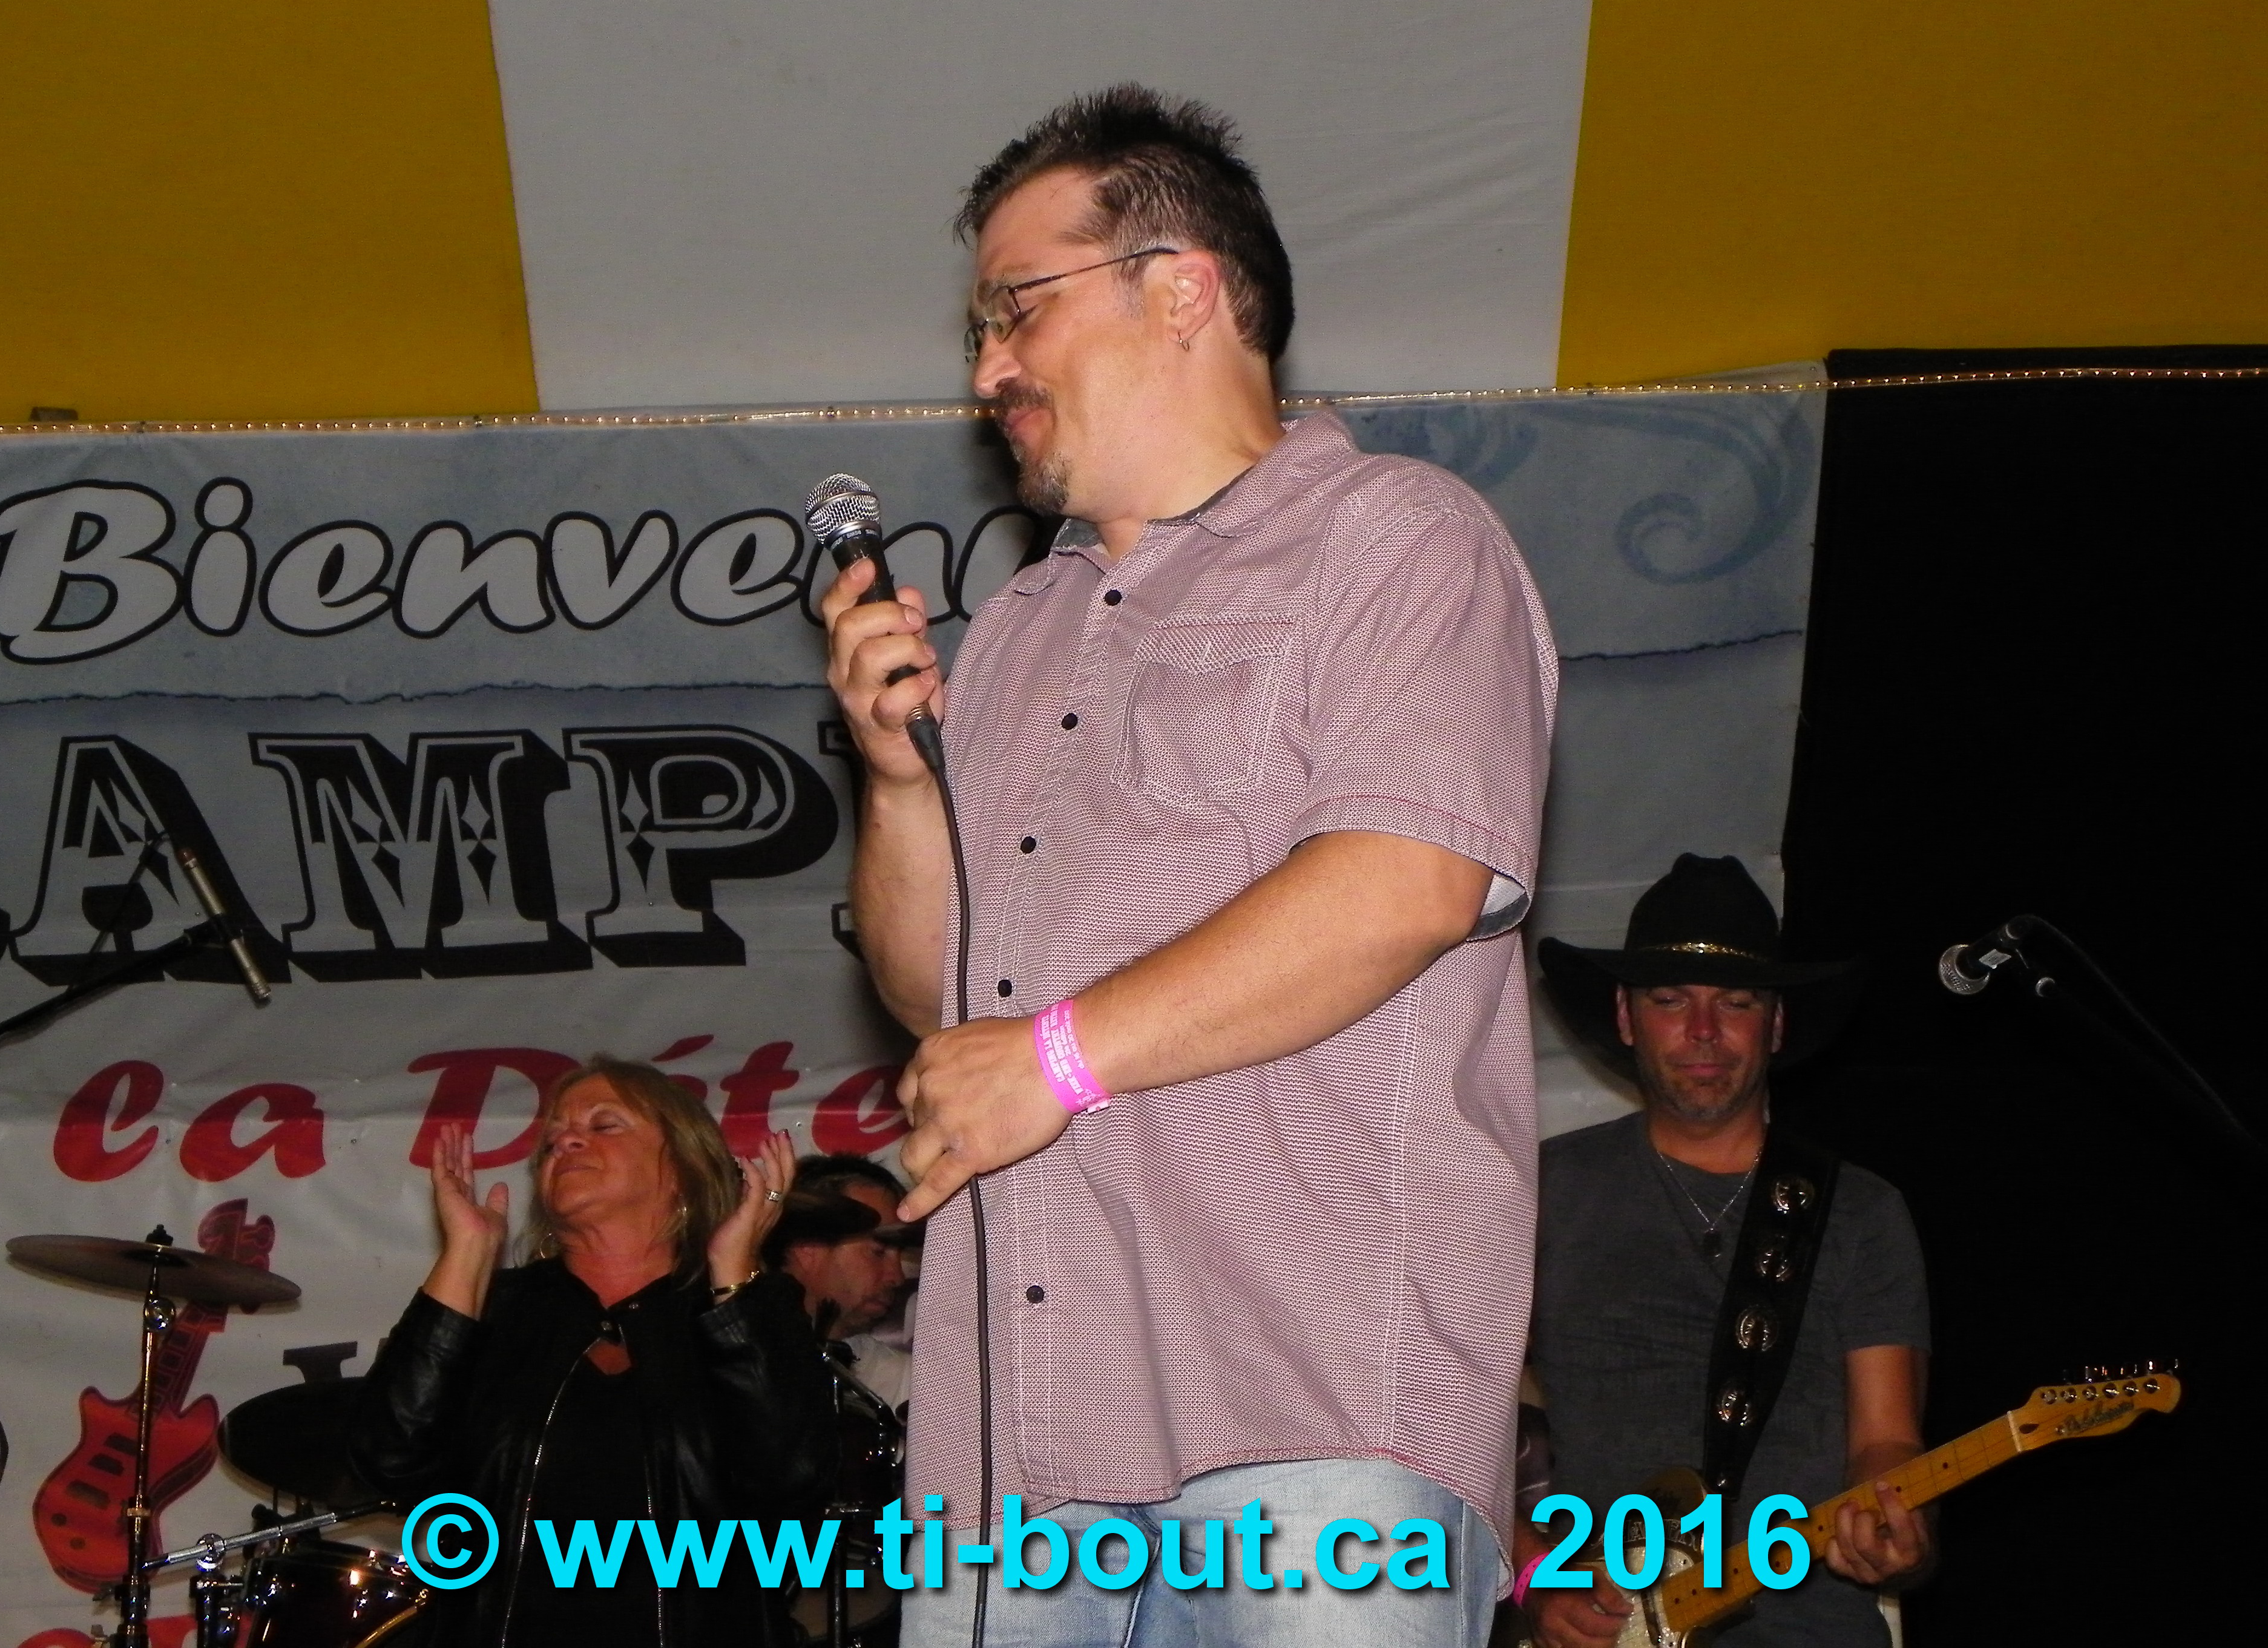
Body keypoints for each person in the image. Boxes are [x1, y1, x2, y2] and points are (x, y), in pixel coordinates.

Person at [823, 85, 1557, 1647]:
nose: (986, 370)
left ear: (1180, 291)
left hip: (1306, 1418)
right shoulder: (1013, 636)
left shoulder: (1396, 540)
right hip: (1017, 1457)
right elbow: (938, 999)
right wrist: (893, 784)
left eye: (1017, 309)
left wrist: (1060, 1058)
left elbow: (1406, 878)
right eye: (978, 330)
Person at [1518, 855, 1932, 1648]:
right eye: (1670, 1000)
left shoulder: (1861, 1213)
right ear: (1626, 1016)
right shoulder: (1541, 1192)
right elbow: (1448, 1407)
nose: (1703, 1030)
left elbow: (1886, 1440)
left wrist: (1895, 1521)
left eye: (1736, 1002)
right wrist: (1534, 1575)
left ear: (1775, 1025)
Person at [348, 1056, 833, 1646]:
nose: (566, 1141)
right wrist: (467, 1255)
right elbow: (389, 1459)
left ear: (682, 1168)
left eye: (604, 1125)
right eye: (553, 1139)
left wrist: (733, 1275)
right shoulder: (500, 1311)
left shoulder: (743, 1312)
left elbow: (788, 1477)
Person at [778, 1153, 916, 1410]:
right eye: (878, 1252)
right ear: (808, 1246)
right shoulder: (736, 1357)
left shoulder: (906, 1382)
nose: (897, 1277)